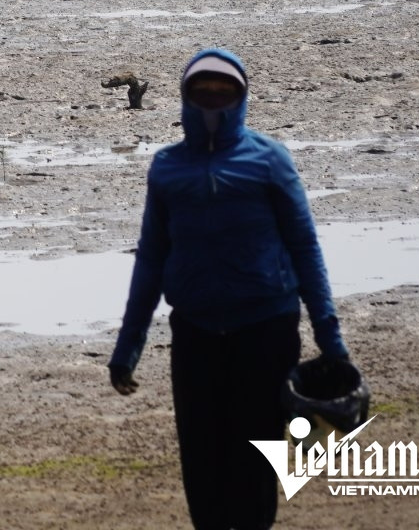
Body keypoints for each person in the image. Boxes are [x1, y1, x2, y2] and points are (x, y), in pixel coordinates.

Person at [109, 47, 352, 530]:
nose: (213, 103)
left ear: (241, 99)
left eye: (225, 92)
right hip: (196, 336)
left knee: (255, 472)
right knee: (202, 469)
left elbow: (306, 250)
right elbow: (151, 260)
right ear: (185, 98)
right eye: (202, 92)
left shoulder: (270, 161)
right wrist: (128, 346)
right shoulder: (167, 168)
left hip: (266, 333)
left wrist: (332, 341)